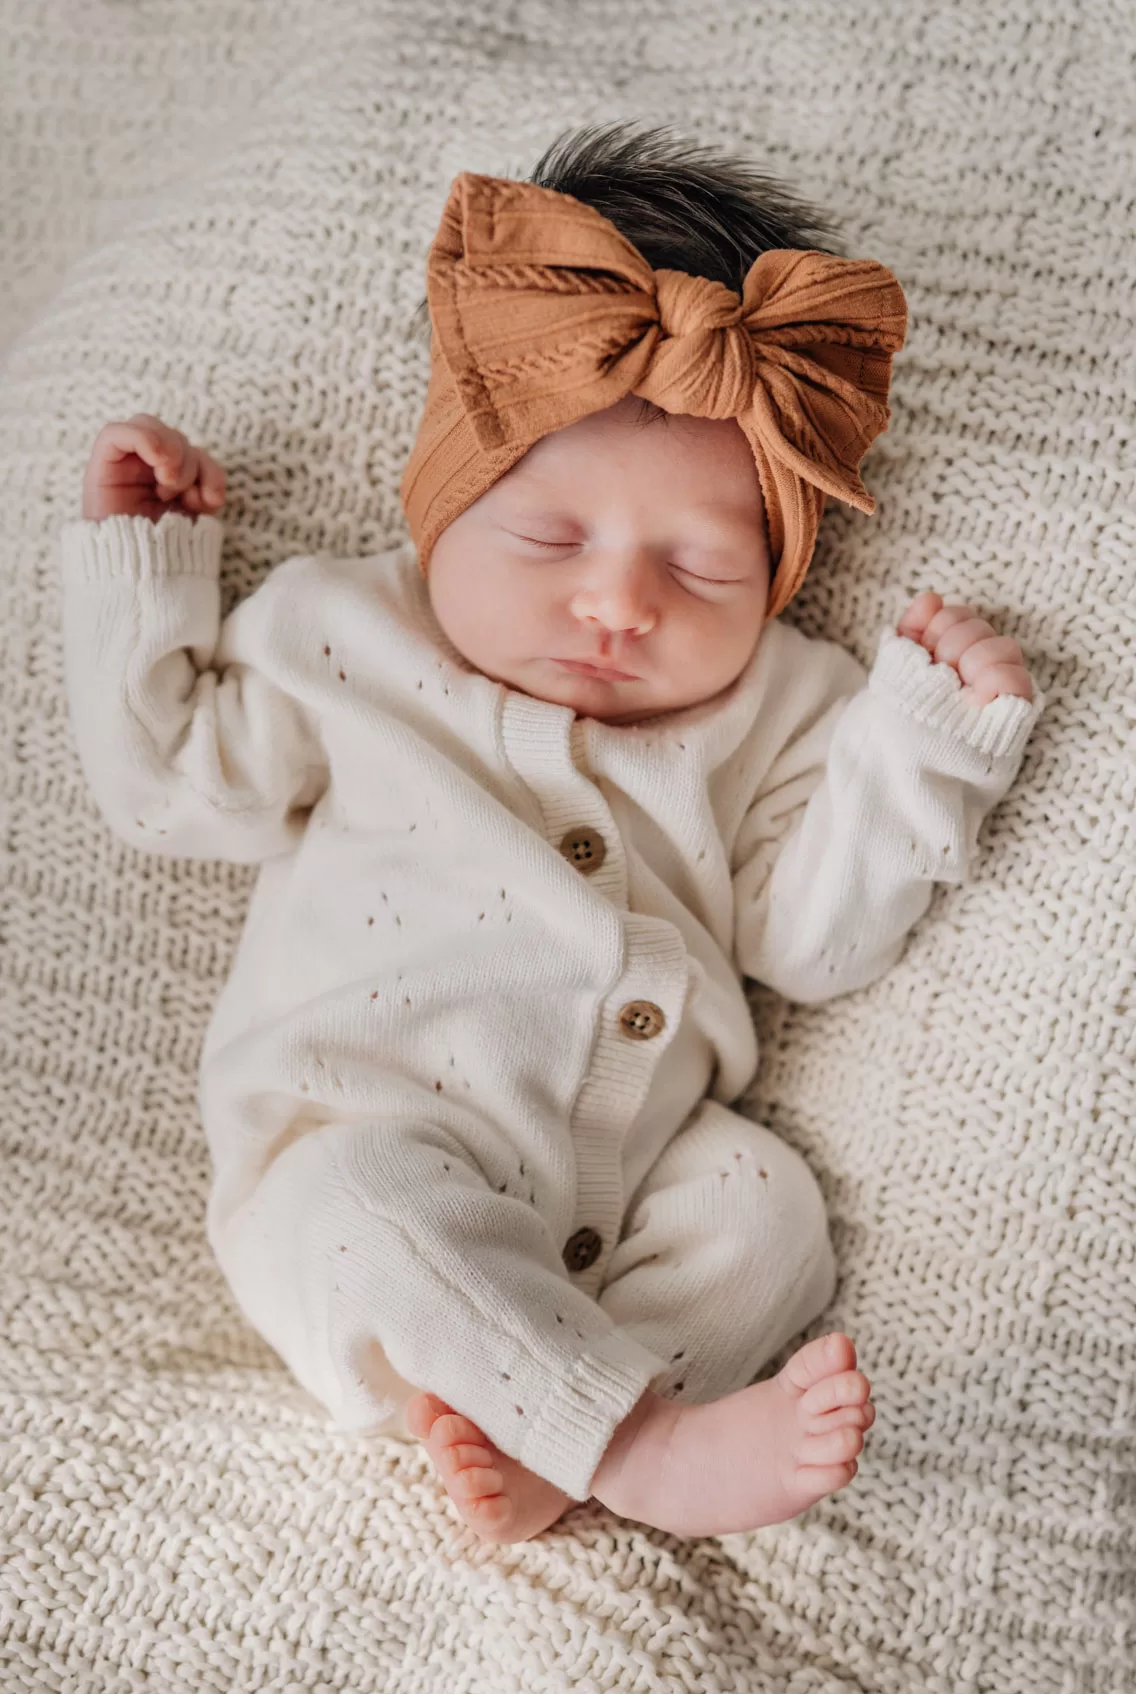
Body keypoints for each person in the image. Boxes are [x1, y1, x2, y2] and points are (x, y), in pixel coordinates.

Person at [60, 121, 1041, 1545]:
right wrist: (146, 567)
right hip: (352, 1147)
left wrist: (926, 747)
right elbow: (169, 784)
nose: (618, 606)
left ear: (776, 574)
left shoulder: (780, 709)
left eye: (701, 564)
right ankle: (640, 1445)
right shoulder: (341, 637)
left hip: (635, 1185)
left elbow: (810, 942)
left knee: (770, 1211)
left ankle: (548, 1441)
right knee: (370, 1201)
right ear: (444, 502)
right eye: (546, 538)